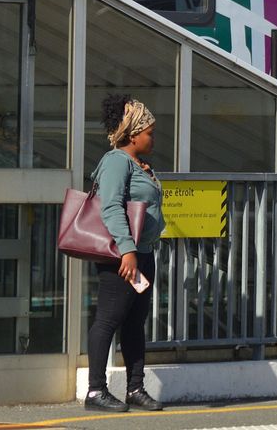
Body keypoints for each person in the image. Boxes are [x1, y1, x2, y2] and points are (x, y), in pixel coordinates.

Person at [84, 94, 165, 413]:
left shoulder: (139, 164)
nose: (153, 137)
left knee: (134, 322)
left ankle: (135, 388)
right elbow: (111, 207)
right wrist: (127, 252)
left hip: (142, 253)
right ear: (133, 133)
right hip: (122, 256)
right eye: (149, 132)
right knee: (108, 319)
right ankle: (95, 391)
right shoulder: (116, 161)